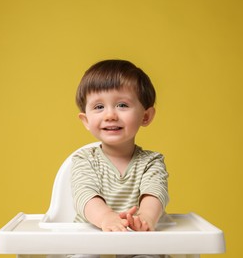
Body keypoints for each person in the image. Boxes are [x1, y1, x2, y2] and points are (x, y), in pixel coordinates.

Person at [71, 59, 169, 233]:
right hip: (90, 241)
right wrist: (106, 218)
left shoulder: (151, 162)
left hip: (136, 238)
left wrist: (145, 218)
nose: (110, 115)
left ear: (145, 116)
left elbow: (155, 193)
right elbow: (84, 195)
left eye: (122, 105)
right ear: (86, 120)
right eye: (99, 106)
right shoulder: (84, 159)